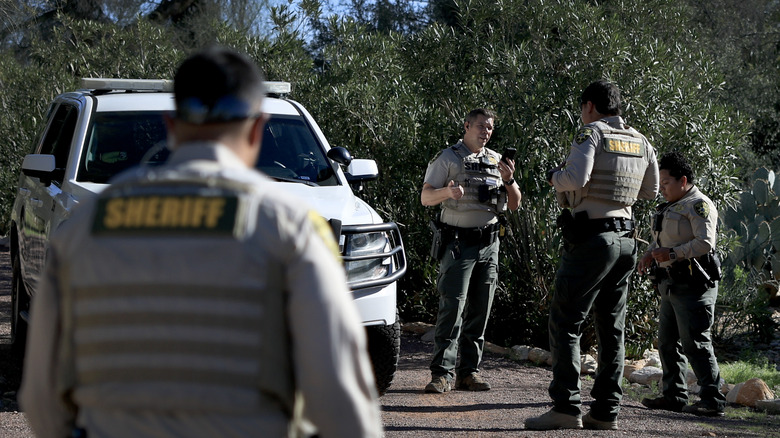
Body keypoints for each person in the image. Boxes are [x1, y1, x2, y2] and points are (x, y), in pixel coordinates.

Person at [19, 47, 383, 438]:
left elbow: (42, 399)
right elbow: (341, 400)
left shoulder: (84, 224)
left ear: (172, 124)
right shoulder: (293, 228)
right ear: (257, 128)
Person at [525, 80, 659, 430]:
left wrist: (556, 177)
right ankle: (604, 413)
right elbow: (651, 190)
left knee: (566, 321)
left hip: (592, 240)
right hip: (627, 241)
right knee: (611, 329)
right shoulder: (640, 140)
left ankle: (566, 408)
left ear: (588, 106)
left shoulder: (591, 134)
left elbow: (577, 175)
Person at [421, 108, 522, 393]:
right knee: (452, 308)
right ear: (466, 126)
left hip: (489, 245)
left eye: (489, 128)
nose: (485, 132)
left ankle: (469, 372)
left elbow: (515, 204)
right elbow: (425, 196)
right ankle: (442, 373)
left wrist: (510, 180)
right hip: (458, 244)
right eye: (480, 126)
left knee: (480, 311)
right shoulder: (448, 158)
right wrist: (447, 193)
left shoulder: (496, 162)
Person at [638, 151, 727, 417]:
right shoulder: (671, 205)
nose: (662, 188)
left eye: (666, 182)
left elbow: (705, 242)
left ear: (683, 180)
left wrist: (673, 255)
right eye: (661, 182)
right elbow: (664, 239)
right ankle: (673, 395)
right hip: (671, 284)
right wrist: (650, 252)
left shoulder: (699, 205)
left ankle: (713, 400)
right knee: (667, 342)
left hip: (694, 285)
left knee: (696, 343)